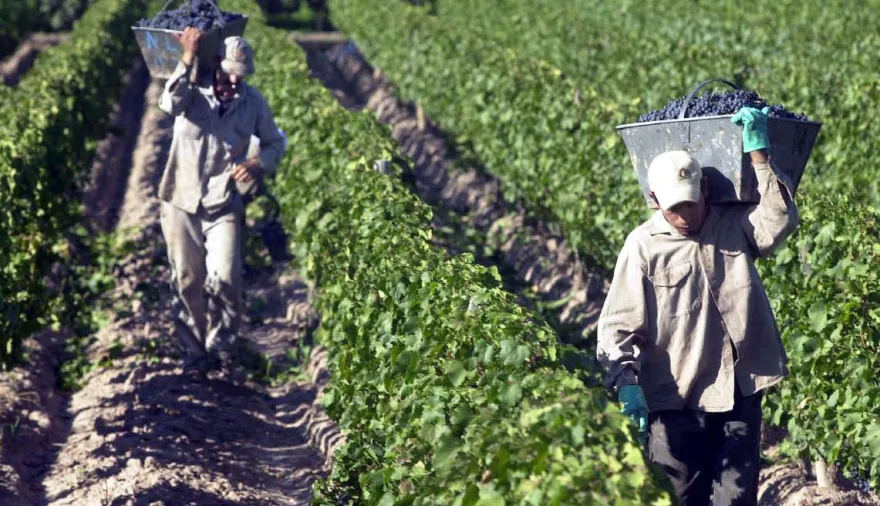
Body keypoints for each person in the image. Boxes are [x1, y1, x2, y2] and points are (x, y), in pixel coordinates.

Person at [597, 106, 799, 505]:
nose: (686, 216)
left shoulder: (732, 223)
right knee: (678, 497)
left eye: (691, 204)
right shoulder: (643, 247)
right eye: (675, 209)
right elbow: (616, 327)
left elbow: (779, 219)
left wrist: (759, 156)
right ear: (654, 200)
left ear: (705, 188)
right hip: (676, 400)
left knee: (734, 499)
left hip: (739, 390)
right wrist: (627, 384)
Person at [157, 27, 287, 377]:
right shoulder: (191, 92)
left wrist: (257, 163)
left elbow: (275, 142)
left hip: (223, 201)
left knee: (226, 277)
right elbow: (168, 103)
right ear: (215, 64)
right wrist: (187, 56)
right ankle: (194, 354)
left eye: (240, 75)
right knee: (187, 280)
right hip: (180, 198)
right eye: (229, 72)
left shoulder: (252, 102)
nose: (234, 81)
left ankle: (221, 346)